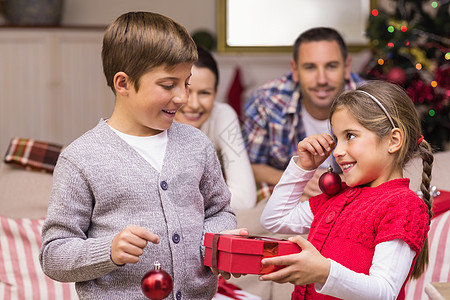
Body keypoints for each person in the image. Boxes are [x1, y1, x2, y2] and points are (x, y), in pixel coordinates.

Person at [39, 12, 238, 300]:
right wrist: (108, 251)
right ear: (123, 84)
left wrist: (214, 246)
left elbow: (219, 212)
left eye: (186, 83)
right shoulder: (81, 159)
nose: (183, 97)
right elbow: (54, 255)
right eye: (169, 85)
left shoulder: (197, 144)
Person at [259, 80, 433, 299]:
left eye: (350, 136)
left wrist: (324, 272)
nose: (338, 151)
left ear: (393, 140)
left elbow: (384, 292)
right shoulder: (337, 197)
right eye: (336, 139)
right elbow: (274, 219)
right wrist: (303, 167)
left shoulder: (403, 204)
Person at [242, 27, 365, 201]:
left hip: (352, 191)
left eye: (331, 66)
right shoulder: (265, 102)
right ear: (295, 69)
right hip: (290, 192)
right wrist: (298, 180)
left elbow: (388, 165)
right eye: (310, 67)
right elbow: (247, 166)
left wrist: (343, 182)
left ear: (346, 67)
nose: (321, 79)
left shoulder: (371, 102)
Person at [175, 46, 256, 211]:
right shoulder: (155, 119)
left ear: (216, 93)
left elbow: (245, 199)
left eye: (205, 93)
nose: (194, 104)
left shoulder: (222, 115)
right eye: (186, 90)